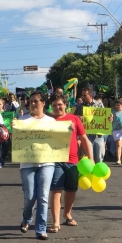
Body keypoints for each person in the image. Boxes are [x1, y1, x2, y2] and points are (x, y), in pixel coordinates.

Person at [48, 93, 93, 233]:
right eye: (54, 105)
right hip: (54, 160)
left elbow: (84, 139)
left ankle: (67, 214)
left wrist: (91, 158)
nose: (57, 107)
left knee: (71, 189)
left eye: (59, 104)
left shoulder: (74, 119)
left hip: (73, 161)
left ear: (65, 105)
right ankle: (55, 222)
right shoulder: (47, 120)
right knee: (56, 190)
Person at [17, 91, 55, 240]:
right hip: (27, 164)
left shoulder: (51, 122)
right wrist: (15, 129)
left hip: (47, 163)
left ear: (43, 103)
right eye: (31, 101)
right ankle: (26, 218)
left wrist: (68, 131)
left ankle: (41, 229)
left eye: (36, 101)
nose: (33, 104)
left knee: (43, 196)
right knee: (30, 196)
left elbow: (59, 139)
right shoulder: (23, 120)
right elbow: (17, 142)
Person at [81, 87, 107, 163]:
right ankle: (90, 174)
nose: (83, 97)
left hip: (98, 134)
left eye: (85, 95)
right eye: (82, 95)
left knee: (99, 157)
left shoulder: (99, 104)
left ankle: (98, 174)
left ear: (90, 95)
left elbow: (105, 116)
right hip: (86, 135)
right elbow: (75, 118)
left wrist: (110, 117)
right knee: (89, 157)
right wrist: (80, 117)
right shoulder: (80, 106)